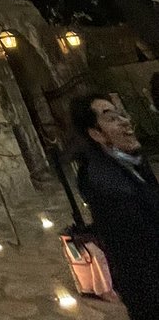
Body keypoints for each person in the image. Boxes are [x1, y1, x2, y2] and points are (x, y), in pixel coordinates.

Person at [70, 93, 159, 320]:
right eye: (111, 118)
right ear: (96, 134)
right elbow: (139, 238)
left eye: (121, 114)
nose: (125, 121)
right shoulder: (102, 179)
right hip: (148, 285)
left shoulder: (132, 159)